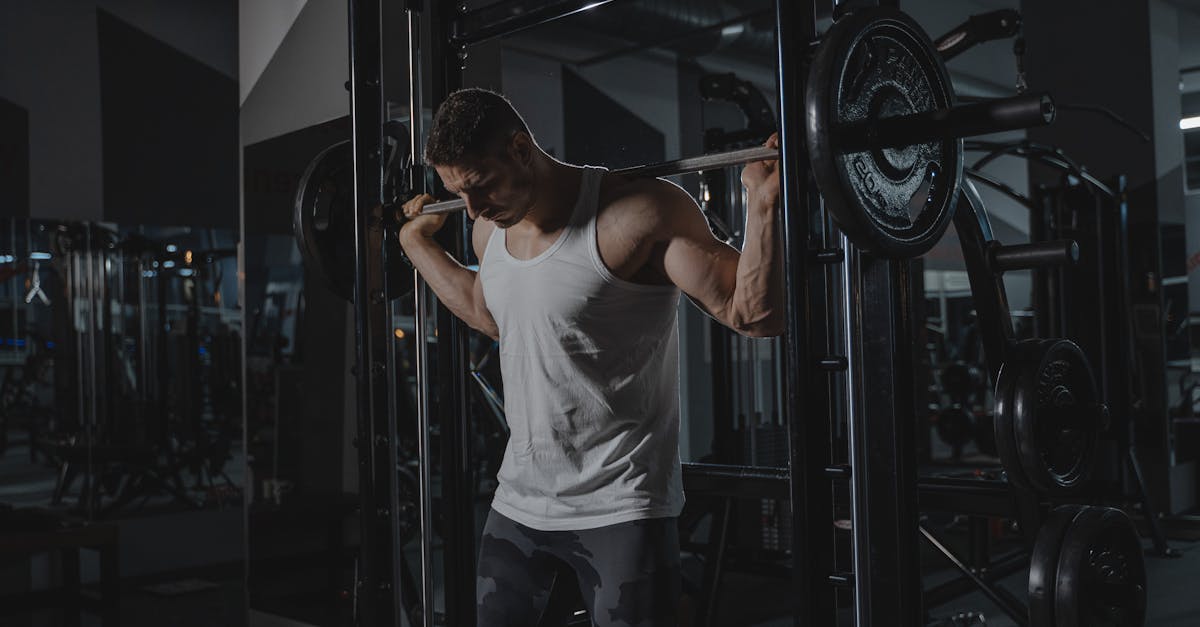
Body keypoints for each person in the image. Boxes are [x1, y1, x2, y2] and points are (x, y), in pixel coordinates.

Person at [398, 87, 784, 627]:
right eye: (456, 193)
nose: (471, 208)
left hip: (621, 507)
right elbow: (491, 315)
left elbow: (754, 314)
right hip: (520, 503)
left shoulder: (639, 212)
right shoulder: (490, 228)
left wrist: (763, 206)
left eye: (479, 185)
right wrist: (416, 243)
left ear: (519, 149)